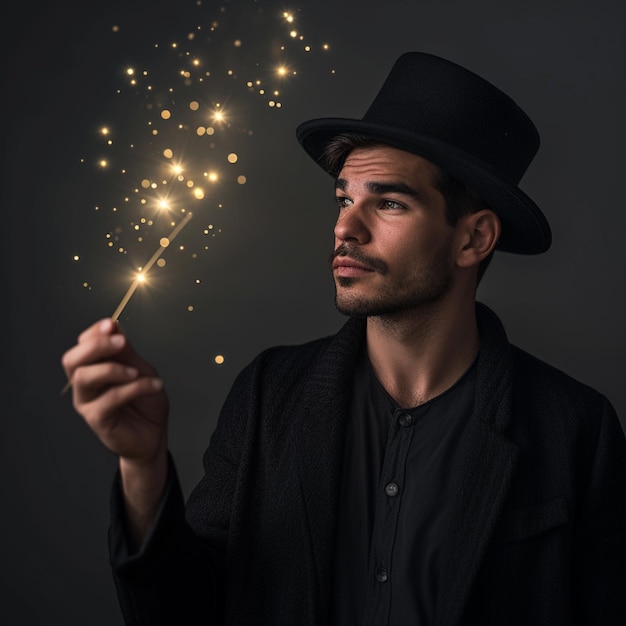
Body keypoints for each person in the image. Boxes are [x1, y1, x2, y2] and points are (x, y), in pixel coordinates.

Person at [61, 51, 626, 625]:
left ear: (474, 238)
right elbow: (182, 614)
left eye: (388, 202)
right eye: (344, 199)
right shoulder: (266, 397)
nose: (345, 228)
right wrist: (143, 467)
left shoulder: (574, 429)